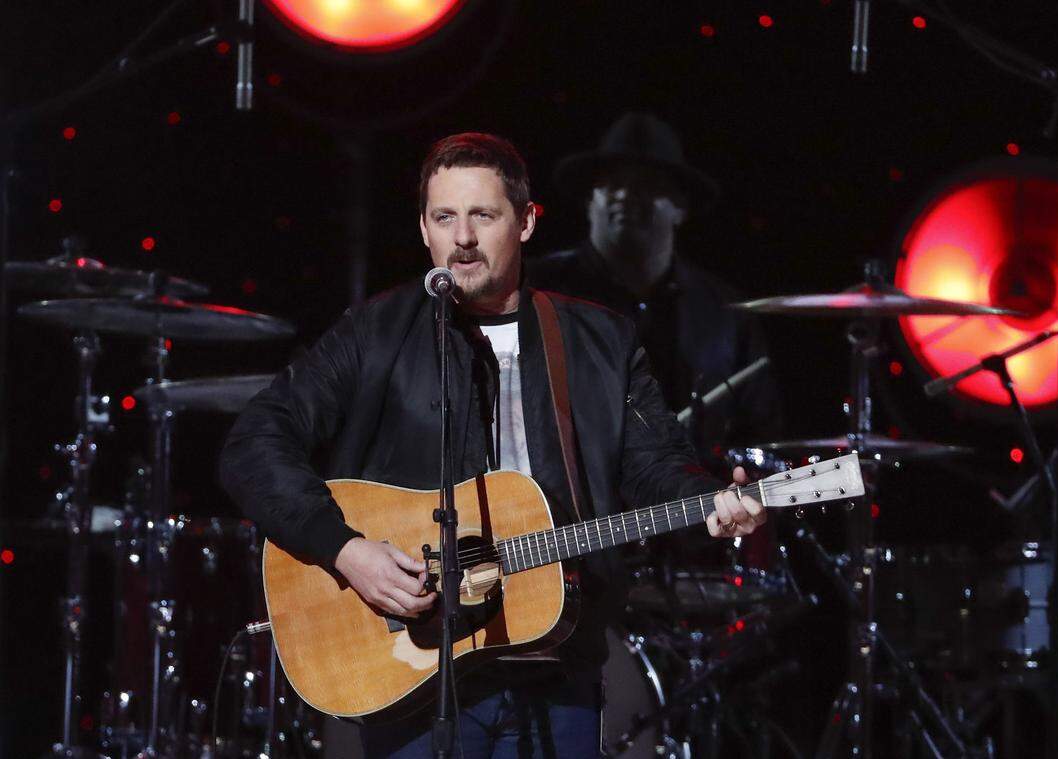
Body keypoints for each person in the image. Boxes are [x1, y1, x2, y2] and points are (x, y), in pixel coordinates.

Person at [219, 132, 765, 757]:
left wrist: (710, 500)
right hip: (413, 670)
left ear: (526, 222)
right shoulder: (376, 332)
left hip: (555, 664)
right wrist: (344, 550)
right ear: (424, 230)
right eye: (444, 217)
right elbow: (254, 442)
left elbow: (655, 464)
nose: (463, 238)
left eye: (483, 215)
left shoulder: (599, 340)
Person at [527, 112, 781, 449]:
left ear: (681, 207)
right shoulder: (534, 290)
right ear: (589, 201)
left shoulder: (727, 316)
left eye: (646, 184)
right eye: (611, 182)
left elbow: (760, 436)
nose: (624, 194)